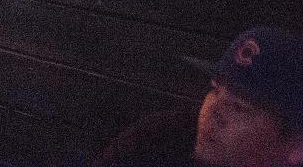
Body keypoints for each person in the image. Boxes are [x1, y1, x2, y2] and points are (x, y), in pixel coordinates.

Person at [94, 26, 303, 167]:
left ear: (296, 146)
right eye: (214, 90)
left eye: (240, 107)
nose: (213, 111)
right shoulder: (161, 138)